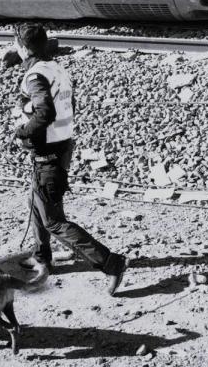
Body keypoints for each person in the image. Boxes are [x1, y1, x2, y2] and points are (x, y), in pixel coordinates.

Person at [12, 23, 128, 295]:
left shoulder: (34, 76)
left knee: (53, 220)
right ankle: (42, 258)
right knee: (35, 200)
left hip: (48, 153)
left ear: (23, 48)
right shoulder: (56, 69)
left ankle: (111, 263)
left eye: (16, 44)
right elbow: (67, 106)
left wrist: (22, 133)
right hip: (62, 145)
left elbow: (45, 113)